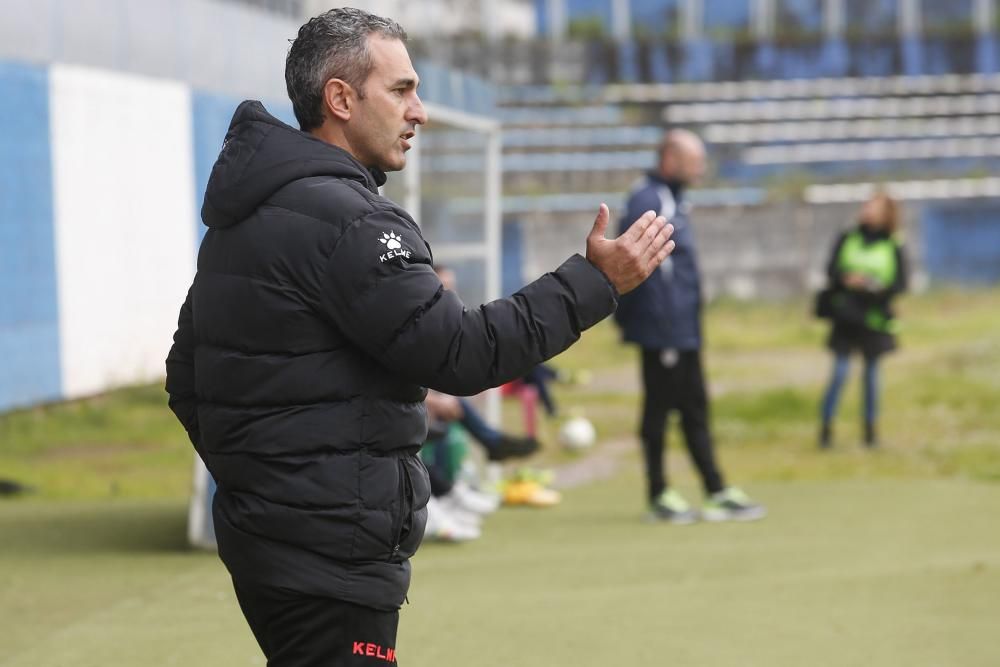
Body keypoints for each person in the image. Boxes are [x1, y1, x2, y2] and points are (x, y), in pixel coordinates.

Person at [164, 8, 674, 666]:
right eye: (402, 90)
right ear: (341, 99)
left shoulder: (248, 214)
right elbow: (461, 353)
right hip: (327, 558)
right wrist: (594, 283)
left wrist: (261, 487)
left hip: (273, 550)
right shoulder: (346, 219)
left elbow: (185, 373)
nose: (421, 111)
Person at [613, 129, 765, 525]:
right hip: (664, 330)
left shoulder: (676, 200)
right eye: (694, 161)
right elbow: (635, 265)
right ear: (670, 160)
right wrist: (646, 323)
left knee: (695, 407)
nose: (701, 169)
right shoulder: (650, 199)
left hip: (682, 329)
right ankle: (660, 493)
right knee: (660, 411)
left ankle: (715, 490)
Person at [818, 192, 908, 449]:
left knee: (871, 377)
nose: (867, 210)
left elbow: (900, 284)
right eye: (867, 205)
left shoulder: (893, 244)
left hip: (874, 318)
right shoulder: (849, 236)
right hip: (846, 315)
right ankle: (826, 431)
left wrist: (872, 285)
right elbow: (831, 271)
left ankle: (870, 434)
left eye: (874, 207)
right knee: (839, 373)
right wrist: (848, 279)